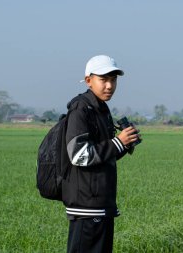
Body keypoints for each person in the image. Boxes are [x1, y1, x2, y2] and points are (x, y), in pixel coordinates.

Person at [62, 55, 140, 253]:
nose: (109, 86)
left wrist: (124, 144)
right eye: (103, 79)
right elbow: (79, 155)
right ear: (88, 80)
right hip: (87, 207)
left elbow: (102, 157)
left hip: (101, 205)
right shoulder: (81, 108)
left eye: (113, 80)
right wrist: (117, 142)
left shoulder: (101, 109)